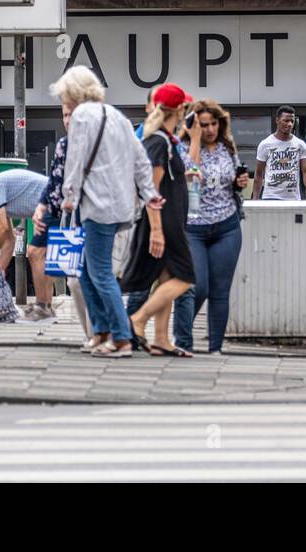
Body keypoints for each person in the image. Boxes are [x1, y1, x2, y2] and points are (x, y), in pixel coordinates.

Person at [53, 66, 160, 359]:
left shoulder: (81, 117)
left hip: (97, 205)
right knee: (88, 271)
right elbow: (140, 160)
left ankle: (121, 337)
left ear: (74, 92)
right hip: (122, 205)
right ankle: (100, 331)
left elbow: (75, 159)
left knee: (98, 272)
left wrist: (69, 194)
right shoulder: (118, 117)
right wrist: (150, 193)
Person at [173, 97, 250, 353]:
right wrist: (194, 139)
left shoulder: (227, 147)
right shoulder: (182, 147)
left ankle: (215, 347)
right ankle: (181, 336)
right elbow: (189, 176)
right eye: (204, 125)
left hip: (226, 225)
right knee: (198, 286)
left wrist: (239, 181)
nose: (210, 130)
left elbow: (233, 178)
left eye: (214, 123)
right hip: (193, 227)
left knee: (220, 289)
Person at [125, 84, 196, 357]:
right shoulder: (157, 142)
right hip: (164, 222)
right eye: (183, 109)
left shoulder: (165, 140)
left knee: (167, 277)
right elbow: (150, 190)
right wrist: (156, 231)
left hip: (170, 220)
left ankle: (162, 339)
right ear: (177, 110)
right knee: (186, 278)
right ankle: (138, 319)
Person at [0, 168, 53, 322]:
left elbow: (1, 228)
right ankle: (46, 308)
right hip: (49, 204)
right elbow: (9, 240)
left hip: (51, 202)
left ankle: (43, 308)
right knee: (41, 255)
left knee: (34, 253)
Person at [30, 102, 73, 324]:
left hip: (78, 211)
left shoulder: (90, 142)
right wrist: (41, 205)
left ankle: (102, 327)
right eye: (64, 115)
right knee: (35, 251)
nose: (67, 120)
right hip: (56, 208)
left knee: (77, 273)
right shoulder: (63, 144)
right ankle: (43, 306)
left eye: (71, 115)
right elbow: (54, 178)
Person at [253, 106, 306, 201]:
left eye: (292, 121)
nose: (290, 124)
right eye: (286, 121)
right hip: (271, 197)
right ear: (277, 120)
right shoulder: (265, 144)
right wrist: (255, 199)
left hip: (293, 198)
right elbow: (258, 174)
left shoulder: (300, 144)